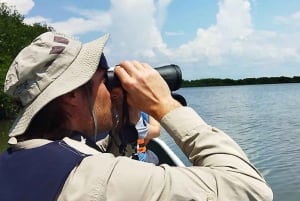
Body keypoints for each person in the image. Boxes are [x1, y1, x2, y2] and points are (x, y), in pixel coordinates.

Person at [0, 31, 273, 201]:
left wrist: (125, 124)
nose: (112, 91)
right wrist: (164, 105)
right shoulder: (90, 176)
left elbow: (106, 169)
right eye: (103, 81)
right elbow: (250, 190)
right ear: (72, 95)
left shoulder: (17, 159)